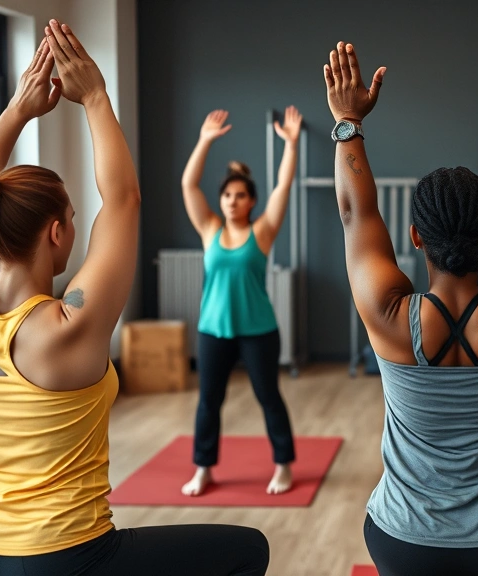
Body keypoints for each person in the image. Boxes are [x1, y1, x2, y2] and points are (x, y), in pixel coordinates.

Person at [0, 21, 269, 575]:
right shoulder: (68, 326)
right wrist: (93, 97)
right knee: (247, 550)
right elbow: (123, 199)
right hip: (61, 557)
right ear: (58, 234)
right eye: (70, 217)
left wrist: (17, 109)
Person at [324, 41, 478, 576]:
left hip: (406, 539)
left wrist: (348, 120)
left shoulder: (388, 315)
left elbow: (355, 211)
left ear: (415, 236)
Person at [179, 104, 303, 496]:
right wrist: (204, 141)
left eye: (240, 195)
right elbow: (189, 185)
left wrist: (292, 145)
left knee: (268, 397)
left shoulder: (262, 232)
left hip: (258, 330)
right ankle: (204, 469)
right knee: (208, 402)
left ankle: (282, 465)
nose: (232, 201)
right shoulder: (209, 229)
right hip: (213, 329)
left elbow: (283, 187)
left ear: (251, 201)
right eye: (227, 195)